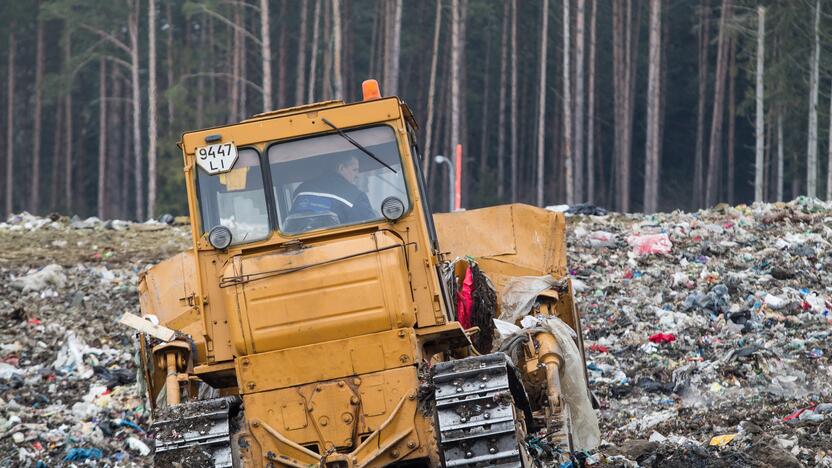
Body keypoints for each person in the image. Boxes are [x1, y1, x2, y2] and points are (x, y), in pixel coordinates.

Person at [289, 153, 376, 224]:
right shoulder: (356, 196)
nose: (357, 175)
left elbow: (292, 226)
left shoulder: (301, 191)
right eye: (354, 170)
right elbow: (370, 227)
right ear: (341, 168)